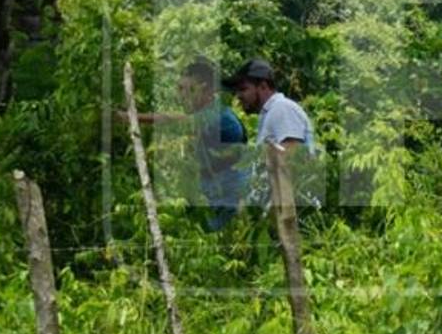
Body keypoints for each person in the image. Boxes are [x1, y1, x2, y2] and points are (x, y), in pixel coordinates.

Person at [124, 57, 248, 231]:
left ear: (204, 89)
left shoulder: (220, 117)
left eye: (185, 89)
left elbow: (175, 120)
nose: (180, 95)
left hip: (228, 203)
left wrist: (131, 117)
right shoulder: (209, 114)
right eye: (179, 88)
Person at [223, 58, 318, 207]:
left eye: (243, 89)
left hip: (293, 215)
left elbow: (293, 159)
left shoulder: (281, 108)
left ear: (263, 86)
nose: (238, 96)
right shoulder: (270, 113)